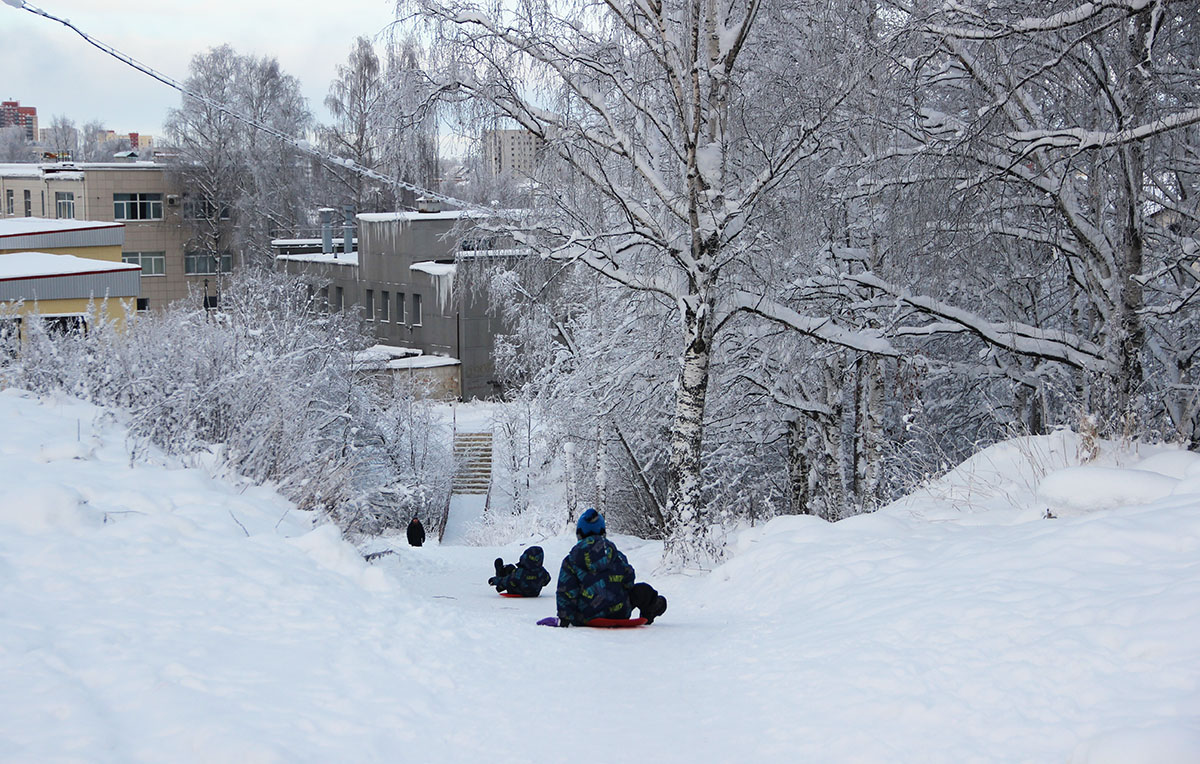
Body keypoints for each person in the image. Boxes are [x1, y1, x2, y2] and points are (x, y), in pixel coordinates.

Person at [556, 508, 667, 626]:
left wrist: (565, 618)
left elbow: (566, 590)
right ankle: (648, 613)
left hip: (585, 616)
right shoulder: (616, 555)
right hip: (619, 612)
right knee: (643, 590)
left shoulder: (571, 560)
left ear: (579, 534)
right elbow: (629, 580)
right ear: (603, 532)